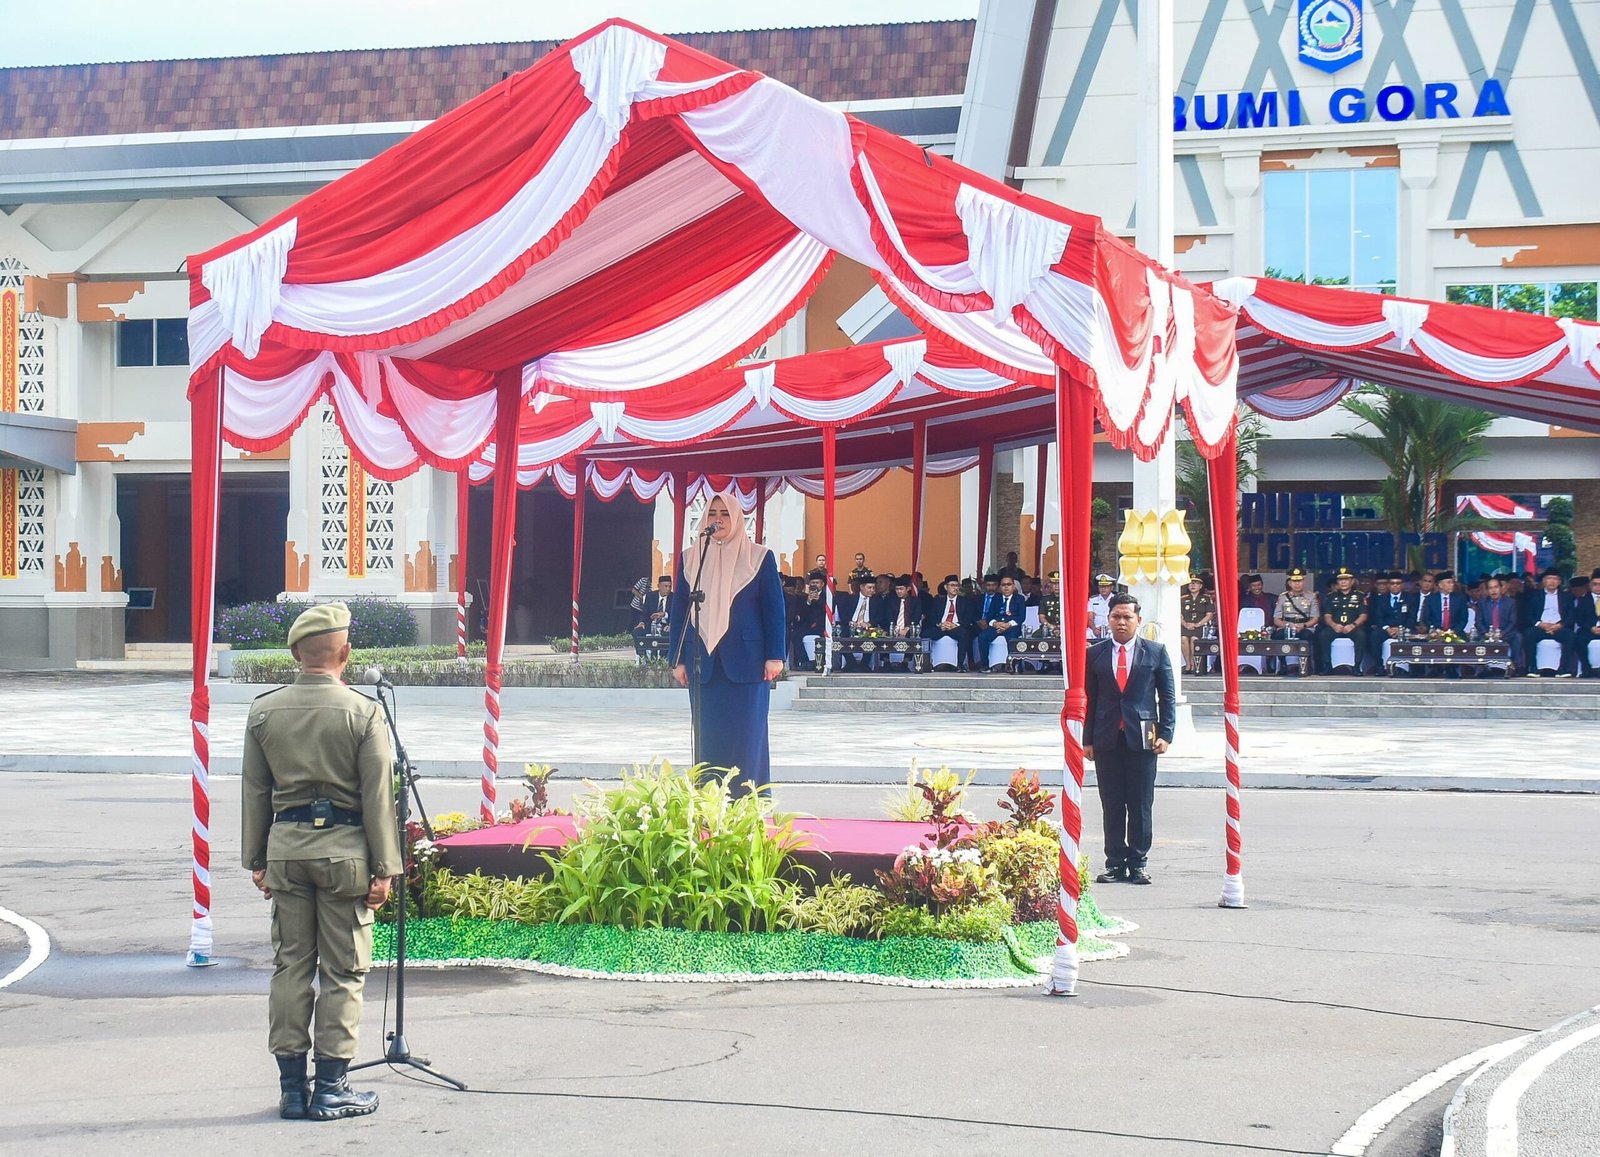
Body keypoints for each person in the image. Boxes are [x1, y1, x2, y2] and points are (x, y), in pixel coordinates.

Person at [241, 602, 401, 1122]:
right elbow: (378, 797)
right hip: (346, 854)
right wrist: (385, 868)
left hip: (286, 851)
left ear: (295, 655)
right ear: (345, 653)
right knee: (343, 971)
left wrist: (257, 859)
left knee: (290, 966)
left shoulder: (264, 711)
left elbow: (255, 791)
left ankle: (292, 1089)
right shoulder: (363, 712)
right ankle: (331, 1088)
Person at [669, 492, 787, 793]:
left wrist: (775, 655)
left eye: (724, 514)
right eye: (712, 514)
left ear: (736, 518)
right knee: (707, 736)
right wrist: (677, 659)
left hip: (748, 663)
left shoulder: (759, 557)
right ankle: (708, 798)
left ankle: (749, 798)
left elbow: (774, 610)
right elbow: (680, 610)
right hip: (703, 663)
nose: (718, 520)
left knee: (747, 735)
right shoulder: (691, 557)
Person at [1084, 595, 1176, 886]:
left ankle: (1138, 862)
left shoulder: (1155, 652)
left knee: (1140, 803)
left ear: (1138, 620)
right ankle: (1114, 862)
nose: (1121, 623)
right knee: (1112, 803)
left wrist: (1166, 734)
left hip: (1144, 738)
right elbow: (1089, 699)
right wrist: (1087, 740)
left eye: (1127, 617)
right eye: (1116, 617)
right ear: (1108, 619)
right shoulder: (1094, 654)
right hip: (1106, 737)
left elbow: (1167, 696)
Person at [1521, 567, 1577, 677]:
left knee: (1570, 636)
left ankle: (1564, 669)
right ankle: (1532, 668)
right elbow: (1528, 615)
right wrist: (1540, 624)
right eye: (1549, 578)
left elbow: (1571, 616)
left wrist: (1560, 625)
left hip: (1558, 627)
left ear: (1559, 582)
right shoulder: (1534, 596)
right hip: (1541, 627)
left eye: (1555, 579)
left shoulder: (1567, 596)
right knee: (1528, 634)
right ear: (1544, 581)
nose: (1552, 581)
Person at [1317, 566, 1369, 675]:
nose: (1343, 582)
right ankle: (1327, 666)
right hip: (1336, 627)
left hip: (1353, 627)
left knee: (1361, 635)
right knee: (1323, 635)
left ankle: (1357, 666)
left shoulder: (1359, 596)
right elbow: (1327, 615)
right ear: (1337, 582)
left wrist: (1353, 625)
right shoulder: (1331, 596)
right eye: (1341, 580)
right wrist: (1334, 625)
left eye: (1346, 579)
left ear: (1352, 581)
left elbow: (1363, 615)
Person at [973, 574, 1026, 672]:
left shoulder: (1019, 599)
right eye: (1003, 585)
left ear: (1013, 586)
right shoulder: (996, 598)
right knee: (983, 636)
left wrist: (1008, 624)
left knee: (1012, 638)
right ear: (1000, 587)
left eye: (1009, 584)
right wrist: (995, 624)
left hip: (1011, 627)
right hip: (996, 626)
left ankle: (1012, 664)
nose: (1006, 587)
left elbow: (1021, 617)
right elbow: (989, 616)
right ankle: (985, 665)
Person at [1272, 567, 1319, 673]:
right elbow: (1276, 619)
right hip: (1287, 627)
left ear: (1304, 582)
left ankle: (1307, 666)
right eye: (1294, 581)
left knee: (1307, 636)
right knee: (1278, 636)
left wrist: (1304, 625)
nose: (1297, 584)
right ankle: (1283, 665)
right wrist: (1288, 626)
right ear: (1289, 583)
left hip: (1305, 627)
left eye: (1299, 581)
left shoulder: (1311, 597)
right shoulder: (1283, 597)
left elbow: (1315, 618)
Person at [924, 574, 973, 671]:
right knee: (925, 633)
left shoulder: (965, 601)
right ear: (946, 587)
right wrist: (940, 624)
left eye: (957, 585)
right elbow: (931, 618)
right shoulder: (938, 601)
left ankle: (960, 664)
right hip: (941, 628)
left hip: (956, 628)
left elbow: (968, 619)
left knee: (964, 634)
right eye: (952, 585)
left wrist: (955, 625)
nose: (955, 588)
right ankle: (926, 663)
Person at [1474, 574, 1520, 675]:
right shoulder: (1482, 603)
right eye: (1490, 588)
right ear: (1487, 591)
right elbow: (1478, 621)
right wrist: (1486, 633)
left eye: (1496, 587)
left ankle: (1516, 666)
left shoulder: (1510, 602)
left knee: (1517, 637)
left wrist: (1502, 633)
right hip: (1487, 634)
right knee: (1476, 638)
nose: (1493, 590)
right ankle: (1481, 669)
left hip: (1505, 633)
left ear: (1501, 589)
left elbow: (1513, 621)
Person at [790, 570, 828, 669]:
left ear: (822, 584)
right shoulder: (804, 597)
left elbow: (828, 611)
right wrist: (808, 602)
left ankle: (822, 662)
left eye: (817, 583)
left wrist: (818, 600)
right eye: (812, 583)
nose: (815, 585)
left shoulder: (827, 596)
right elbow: (802, 614)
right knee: (795, 635)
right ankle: (805, 662)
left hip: (822, 626)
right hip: (808, 626)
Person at [1178, 575, 1215, 675]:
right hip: (1186, 625)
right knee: (1183, 639)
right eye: (1191, 583)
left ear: (1200, 586)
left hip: (1200, 625)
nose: (1193, 585)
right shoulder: (1183, 599)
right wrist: (1185, 624)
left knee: (1194, 639)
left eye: (1196, 583)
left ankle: (1195, 665)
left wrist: (1198, 624)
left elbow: (1209, 615)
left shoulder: (1206, 598)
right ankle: (1188, 665)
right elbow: (1179, 614)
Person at [632, 575, 672, 656]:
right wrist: (642, 622)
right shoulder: (650, 596)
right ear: (659, 586)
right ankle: (642, 656)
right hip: (652, 625)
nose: (668, 589)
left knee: (668, 634)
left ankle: (663, 658)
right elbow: (645, 612)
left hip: (666, 625)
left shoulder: (674, 597)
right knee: (636, 632)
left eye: (670, 586)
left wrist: (665, 615)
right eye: (665, 586)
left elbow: (676, 614)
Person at [1575, 568, 1600, 677]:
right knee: (1579, 639)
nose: (1598, 587)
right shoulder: (1584, 599)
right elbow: (1579, 618)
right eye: (1595, 584)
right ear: (1590, 585)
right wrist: (1591, 628)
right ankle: (1586, 668)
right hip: (1589, 630)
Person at [1087, 574, 1117, 641]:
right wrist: (1094, 629)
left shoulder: (1116, 599)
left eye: (1106, 586)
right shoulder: (1093, 600)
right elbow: (1089, 618)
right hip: (1095, 628)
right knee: (1086, 634)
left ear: (1112, 587)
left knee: (1113, 636)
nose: (1103, 589)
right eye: (1101, 586)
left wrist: (1109, 627)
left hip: (1110, 628)